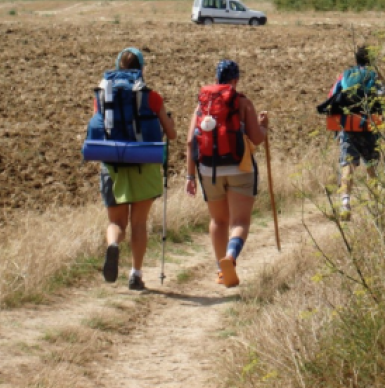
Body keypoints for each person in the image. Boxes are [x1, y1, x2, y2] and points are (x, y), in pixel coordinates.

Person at [185, 59, 269, 288]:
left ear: (216, 79)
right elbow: (257, 138)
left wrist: (190, 177)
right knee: (240, 221)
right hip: (240, 168)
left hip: (208, 169)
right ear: (236, 80)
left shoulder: (203, 105)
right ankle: (230, 257)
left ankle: (221, 270)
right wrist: (264, 126)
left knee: (218, 220)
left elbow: (191, 140)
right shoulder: (242, 102)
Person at [99, 47, 176, 290]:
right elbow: (171, 134)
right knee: (139, 223)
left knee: (117, 222)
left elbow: (100, 126)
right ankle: (136, 274)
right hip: (145, 163)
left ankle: (113, 245)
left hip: (113, 164)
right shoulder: (151, 96)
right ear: (141, 68)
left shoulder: (104, 94)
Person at [319, 45, 384, 220]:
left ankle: (345, 204)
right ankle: (375, 208)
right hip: (369, 127)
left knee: (347, 167)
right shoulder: (374, 76)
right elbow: (383, 97)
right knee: (371, 167)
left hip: (348, 127)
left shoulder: (345, 75)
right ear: (372, 60)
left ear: (356, 59)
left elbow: (332, 96)